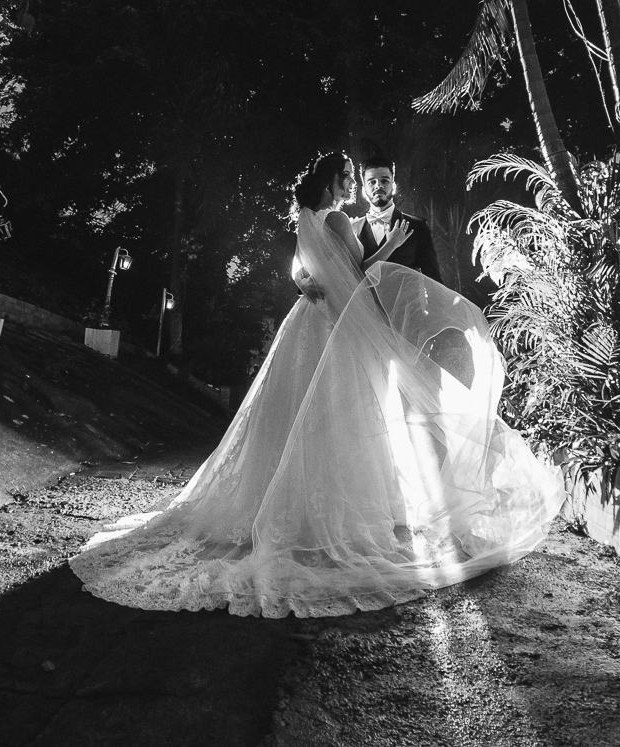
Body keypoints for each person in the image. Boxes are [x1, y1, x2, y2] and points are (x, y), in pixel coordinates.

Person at [69, 153, 563, 618]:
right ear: (333, 182)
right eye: (349, 179)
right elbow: (350, 270)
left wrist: (304, 277)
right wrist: (387, 249)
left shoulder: (307, 218)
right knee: (344, 411)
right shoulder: (338, 219)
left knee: (298, 410)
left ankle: (285, 504)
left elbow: (305, 266)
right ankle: (332, 516)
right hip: (337, 323)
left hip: (308, 320)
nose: (355, 186)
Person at [351, 155, 444, 286]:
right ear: (363, 190)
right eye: (372, 182)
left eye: (384, 181)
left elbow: (433, 279)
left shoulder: (417, 226)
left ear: (393, 186)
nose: (378, 186)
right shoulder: (353, 228)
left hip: (409, 306)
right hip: (365, 306)